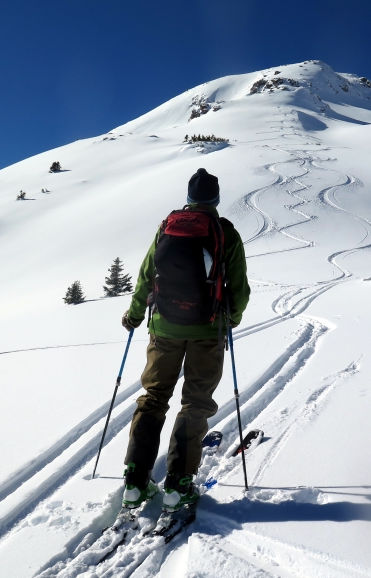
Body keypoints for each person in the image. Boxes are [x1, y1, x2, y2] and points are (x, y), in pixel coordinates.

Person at [120, 168, 249, 512]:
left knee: (154, 396)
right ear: (215, 200)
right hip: (207, 329)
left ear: (189, 198)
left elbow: (148, 273)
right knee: (195, 401)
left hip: (164, 327)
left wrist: (134, 314)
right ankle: (178, 484)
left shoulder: (168, 226)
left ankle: (135, 480)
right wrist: (229, 320)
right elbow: (239, 287)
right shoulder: (224, 232)